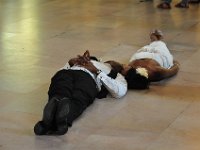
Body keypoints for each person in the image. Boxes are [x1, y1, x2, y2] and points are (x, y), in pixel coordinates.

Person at [34, 51, 128, 136]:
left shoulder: (116, 74)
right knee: (60, 91)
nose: (111, 62)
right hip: (67, 72)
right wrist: (71, 62)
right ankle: (59, 121)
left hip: (88, 78)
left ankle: (47, 123)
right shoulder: (88, 61)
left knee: (78, 98)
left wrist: (97, 71)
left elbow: (119, 91)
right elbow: (60, 71)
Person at [106, 29, 179, 87]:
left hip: (140, 54)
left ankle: (153, 42)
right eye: (125, 68)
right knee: (160, 45)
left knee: (147, 47)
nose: (124, 66)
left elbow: (112, 63)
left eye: (124, 68)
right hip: (159, 56)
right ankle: (156, 40)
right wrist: (175, 64)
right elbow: (172, 71)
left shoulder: (125, 72)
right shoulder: (154, 72)